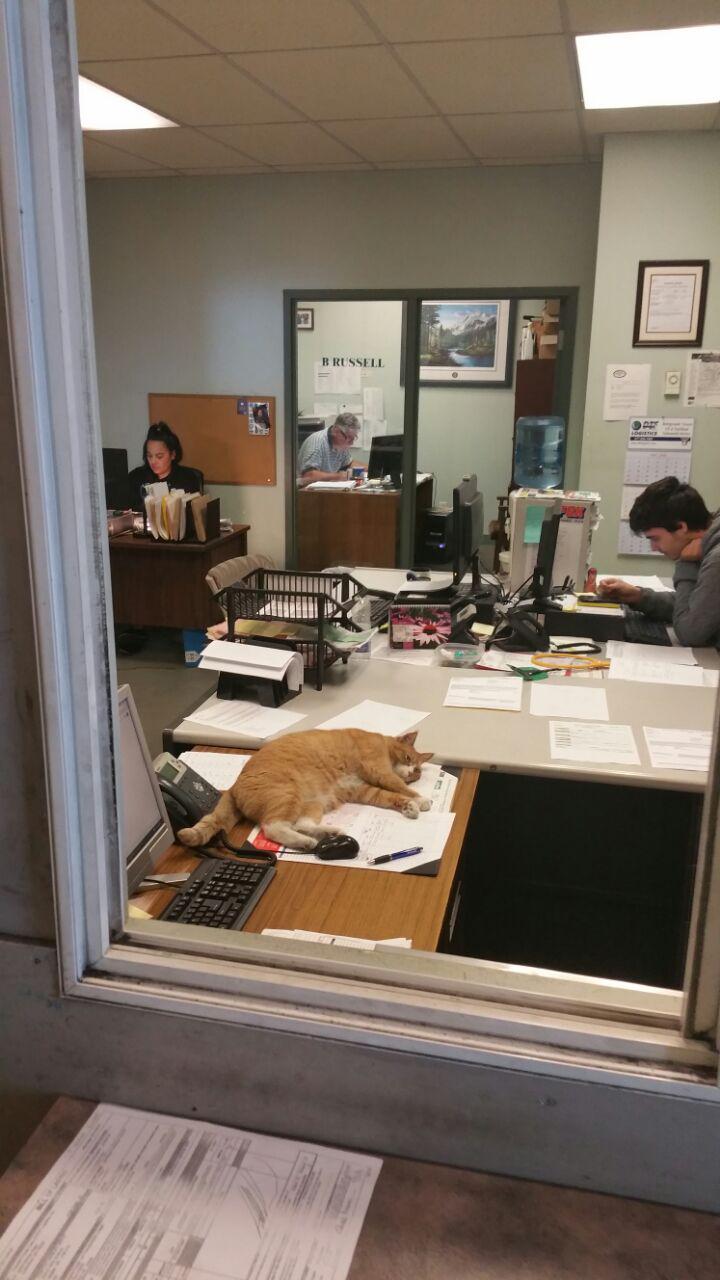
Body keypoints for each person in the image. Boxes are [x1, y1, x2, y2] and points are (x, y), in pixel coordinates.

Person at [598, 476, 720, 647]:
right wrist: (638, 596)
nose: (654, 548)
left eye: (655, 538)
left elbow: (689, 633)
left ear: (681, 527)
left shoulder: (716, 559)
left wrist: (686, 563)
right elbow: (698, 606)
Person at [126, 422, 202, 510]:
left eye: (159, 456)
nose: (153, 461)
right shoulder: (136, 477)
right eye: (149, 456)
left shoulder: (187, 478)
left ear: (173, 454)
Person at [297, 412, 364, 486]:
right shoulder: (317, 442)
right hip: (305, 492)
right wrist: (338, 476)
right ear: (336, 430)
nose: (351, 443)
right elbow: (309, 475)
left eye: (354, 438)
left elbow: (349, 464)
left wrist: (374, 471)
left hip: (323, 490)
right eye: (349, 438)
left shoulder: (340, 445)